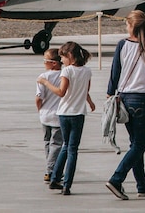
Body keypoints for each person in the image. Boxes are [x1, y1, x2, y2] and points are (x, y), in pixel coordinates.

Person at [105, 11, 145, 200]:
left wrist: (110, 94)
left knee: (135, 144)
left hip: (124, 98)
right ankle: (117, 178)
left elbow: (114, 73)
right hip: (142, 100)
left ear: (132, 26)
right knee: (140, 144)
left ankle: (142, 185)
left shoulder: (122, 45)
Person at [39, 41, 96, 195]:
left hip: (64, 113)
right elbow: (85, 90)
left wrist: (46, 82)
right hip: (78, 114)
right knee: (72, 149)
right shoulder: (87, 71)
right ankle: (66, 184)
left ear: (70, 56)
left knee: (66, 146)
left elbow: (61, 92)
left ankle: (55, 178)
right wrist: (90, 102)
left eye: (62, 58)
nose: (61, 61)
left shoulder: (67, 71)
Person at [36, 49, 63, 183]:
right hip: (58, 115)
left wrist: (39, 109)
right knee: (56, 144)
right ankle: (51, 170)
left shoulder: (43, 77)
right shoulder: (64, 76)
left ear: (53, 63)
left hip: (45, 114)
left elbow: (38, 97)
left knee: (47, 142)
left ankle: (50, 167)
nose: (44, 63)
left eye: (45, 61)